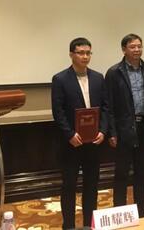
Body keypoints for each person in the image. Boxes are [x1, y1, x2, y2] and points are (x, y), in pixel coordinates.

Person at [51, 37, 109, 229]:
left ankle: (89, 224)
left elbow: (106, 107)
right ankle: (68, 225)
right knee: (69, 186)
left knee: (91, 186)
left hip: (94, 142)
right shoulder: (60, 79)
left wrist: (103, 130)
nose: (85, 56)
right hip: (71, 143)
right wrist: (69, 134)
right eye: (81, 53)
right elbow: (58, 111)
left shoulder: (98, 78)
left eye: (88, 53)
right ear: (71, 54)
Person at [105, 33, 144, 217]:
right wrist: (112, 132)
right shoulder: (114, 72)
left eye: (139, 46)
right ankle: (120, 212)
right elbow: (109, 106)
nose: (137, 50)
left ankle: (141, 211)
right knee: (121, 173)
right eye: (132, 47)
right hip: (123, 129)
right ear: (124, 50)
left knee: (142, 173)